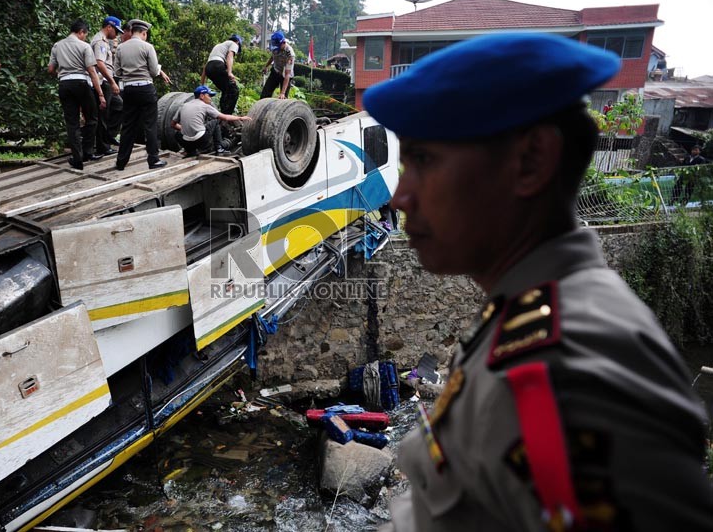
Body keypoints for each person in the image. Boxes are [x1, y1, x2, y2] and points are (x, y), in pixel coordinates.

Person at [363, 33, 713, 532]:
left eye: (423, 160)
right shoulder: (524, 319)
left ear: (530, 162)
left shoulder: (572, 367)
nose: (400, 197)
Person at [48, 19, 107, 170]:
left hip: (64, 85)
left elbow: (50, 69)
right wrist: (100, 94)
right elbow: (92, 71)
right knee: (92, 117)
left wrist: (62, 75)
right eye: (85, 35)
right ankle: (88, 151)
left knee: (72, 122)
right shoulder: (84, 46)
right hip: (81, 84)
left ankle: (77, 158)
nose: (85, 37)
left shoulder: (57, 45)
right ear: (81, 32)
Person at [113, 19, 171, 171]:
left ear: (132, 32)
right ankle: (153, 159)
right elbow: (153, 71)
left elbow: (117, 72)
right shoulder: (148, 47)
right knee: (150, 125)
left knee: (127, 126)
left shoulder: (120, 48)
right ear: (144, 33)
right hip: (145, 88)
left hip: (129, 89)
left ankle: (121, 162)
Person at [171, 85, 251, 156]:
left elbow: (173, 125)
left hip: (186, 142)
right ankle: (219, 148)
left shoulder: (183, 106)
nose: (210, 99)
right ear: (202, 96)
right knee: (215, 121)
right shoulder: (205, 106)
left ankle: (190, 151)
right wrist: (240, 118)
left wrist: (187, 128)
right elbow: (225, 117)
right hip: (201, 140)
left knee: (177, 134)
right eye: (209, 96)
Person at [91, 16, 123, 156]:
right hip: (103, 81)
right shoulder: (100, 42)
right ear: (109, 27)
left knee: (118, 105)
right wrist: (112, 81)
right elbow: (99, 63)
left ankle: (108, 137)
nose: (116, 34)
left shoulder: (103, 41)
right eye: (116, 30)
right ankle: (103, 146)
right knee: (103, 114)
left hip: (105, 81)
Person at [202, 34, 243, 115]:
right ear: (238, 42)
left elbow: (206, 66)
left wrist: (202, 84)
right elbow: (230, 56)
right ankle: (226, 116)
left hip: (209, 68)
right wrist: (229, 72)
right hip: (217, 66)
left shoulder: (218, 46)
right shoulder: (234, 44)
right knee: (234, 90)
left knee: (226, 90)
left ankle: (222, 114)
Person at [261, 31, 295, 100]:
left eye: (278, 46)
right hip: (276, 71)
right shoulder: (275, 48)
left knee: (283, 98)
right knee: (265, 94)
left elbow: (287, 74)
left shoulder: (290, 54)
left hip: (285, 75)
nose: (277, 48)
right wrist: (266, 66)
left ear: (283, 42)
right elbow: (272, 57)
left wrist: (282, 93)